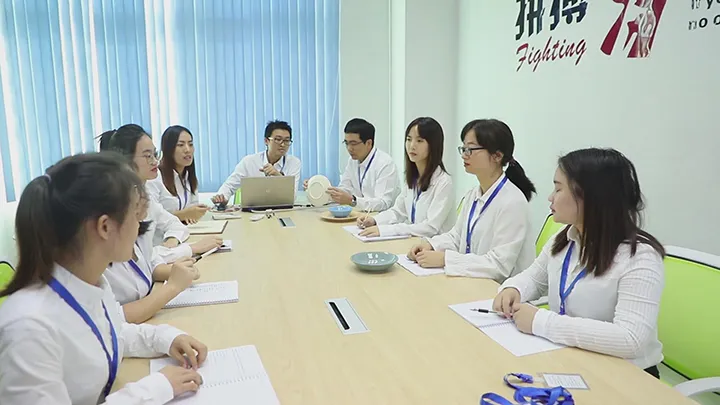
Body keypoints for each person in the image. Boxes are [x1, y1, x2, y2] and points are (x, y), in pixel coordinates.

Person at [0, 152, 207, 405]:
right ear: (105, 227)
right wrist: (155, 388)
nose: (140, 226)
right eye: (135, 216)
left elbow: (112, 332)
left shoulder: (92, 283)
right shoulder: (29, 327)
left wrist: (164, 338)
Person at [493, 148, 665, 378]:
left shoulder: (640, 257)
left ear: (590, 196)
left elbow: (630, 339)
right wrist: (513, 289)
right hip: (571, 359)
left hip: (626, 376)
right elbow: (534, 278)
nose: (550, 197)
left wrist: (542, 322)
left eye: (558, 188)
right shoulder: (565, 238)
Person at [407, 119, 535, 282]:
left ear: (497, 156)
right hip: (472, 281)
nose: (464, 155)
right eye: (463, 149)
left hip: (500, 290)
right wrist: (431, 245)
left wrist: (445, 259)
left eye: (471, 149)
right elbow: (457, 236)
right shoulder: (473, 194)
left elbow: (499, 265)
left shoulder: (513, 202)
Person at [99, 124, 222, 262]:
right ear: (125, 161)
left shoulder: (143, 195)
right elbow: (141, 258)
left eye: (155, 154)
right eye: (148, 156)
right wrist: (190, 249)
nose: (155, 161)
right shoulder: (121, 203)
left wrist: (172, 241)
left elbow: (174, 224)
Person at [105, 192, 199, 324]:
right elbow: (112, 319)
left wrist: (176, 273)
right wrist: (173, 286)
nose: (139, 226)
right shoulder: (92, 270)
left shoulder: (129, 240)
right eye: (136, 218)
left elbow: (149, 261)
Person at [357, 117, 454, 237]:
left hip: (433, 245)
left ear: (433, 145)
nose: (412, 146)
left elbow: (430, 228)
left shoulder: (443, 182)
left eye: (419, 141)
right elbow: (398, 211)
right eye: (409, 139)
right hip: (414, 242)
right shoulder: (413, 178)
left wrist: (386, 230)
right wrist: (374, 220)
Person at [317, 118, 400, 212]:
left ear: (368, 143)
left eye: (353, 143)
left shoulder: (385, 164)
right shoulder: (352, 161)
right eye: (346, 143)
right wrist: (319, 188)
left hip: (380, 217)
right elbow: (345, 188)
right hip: (359, 214)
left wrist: (353, 201)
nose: (349, 148)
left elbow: (383, 203)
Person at [212, 120, 302, 204]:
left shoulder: (294, 163)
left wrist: (277, 175)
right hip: (252, 210)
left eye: (286, 140)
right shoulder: (249, 162)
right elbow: (230, 185)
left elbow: (292, 197)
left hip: (283, 210)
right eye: (278, 139)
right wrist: (222, 198)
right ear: (266, 141)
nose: (282, 144)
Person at [146, 125, 209, 224]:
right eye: (181, 145)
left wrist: (195, 213)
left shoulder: (188, 176)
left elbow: (192, 207)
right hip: (163, 233)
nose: (187, 150)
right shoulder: (155, 177)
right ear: (169, 149)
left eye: (190, 144)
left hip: (185, 230)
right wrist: (183, 215)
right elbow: (152, 218)